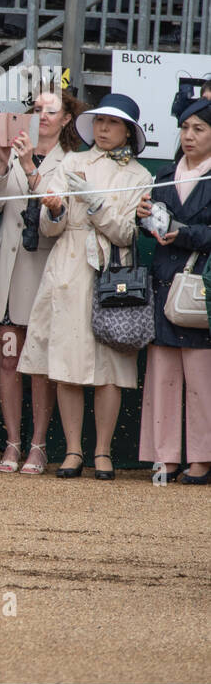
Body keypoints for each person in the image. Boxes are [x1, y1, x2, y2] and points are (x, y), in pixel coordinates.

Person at [18, 93, 152, 479]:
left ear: (128, 131)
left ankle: (103, 452)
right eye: (99, 122)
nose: (104, 129)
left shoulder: (140, 175)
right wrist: (56, 209)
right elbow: (48, 225)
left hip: (113, 272)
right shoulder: (72, 162)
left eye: (112, 124)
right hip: (69, 267)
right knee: (66, 362)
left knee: (110, 367)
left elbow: (126, 233)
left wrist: (94, 203)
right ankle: (73, 450)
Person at [0, 87, 82, 474]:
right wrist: (4, 163)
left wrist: (28, 168)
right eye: (36, 109)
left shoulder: (72, 162)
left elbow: (57, 222)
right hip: (5, 273)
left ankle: (38, 445)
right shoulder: (15, 153)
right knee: (8, 360)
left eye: (50, 110)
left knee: (38, 364)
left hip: (43, 274)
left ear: (67, 118)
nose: (41, 116)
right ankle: (12, 442)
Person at [136, 96, 211, 485]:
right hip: (164, 281)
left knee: (202, 379)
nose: (189, 136)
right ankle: (163, 458)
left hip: (201, 286)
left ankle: (201, 459)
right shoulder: (164, 173)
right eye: (185, 128)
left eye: (199, 129)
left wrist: (184, 233)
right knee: (162, 375)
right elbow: (149, 230)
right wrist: (143, 218)